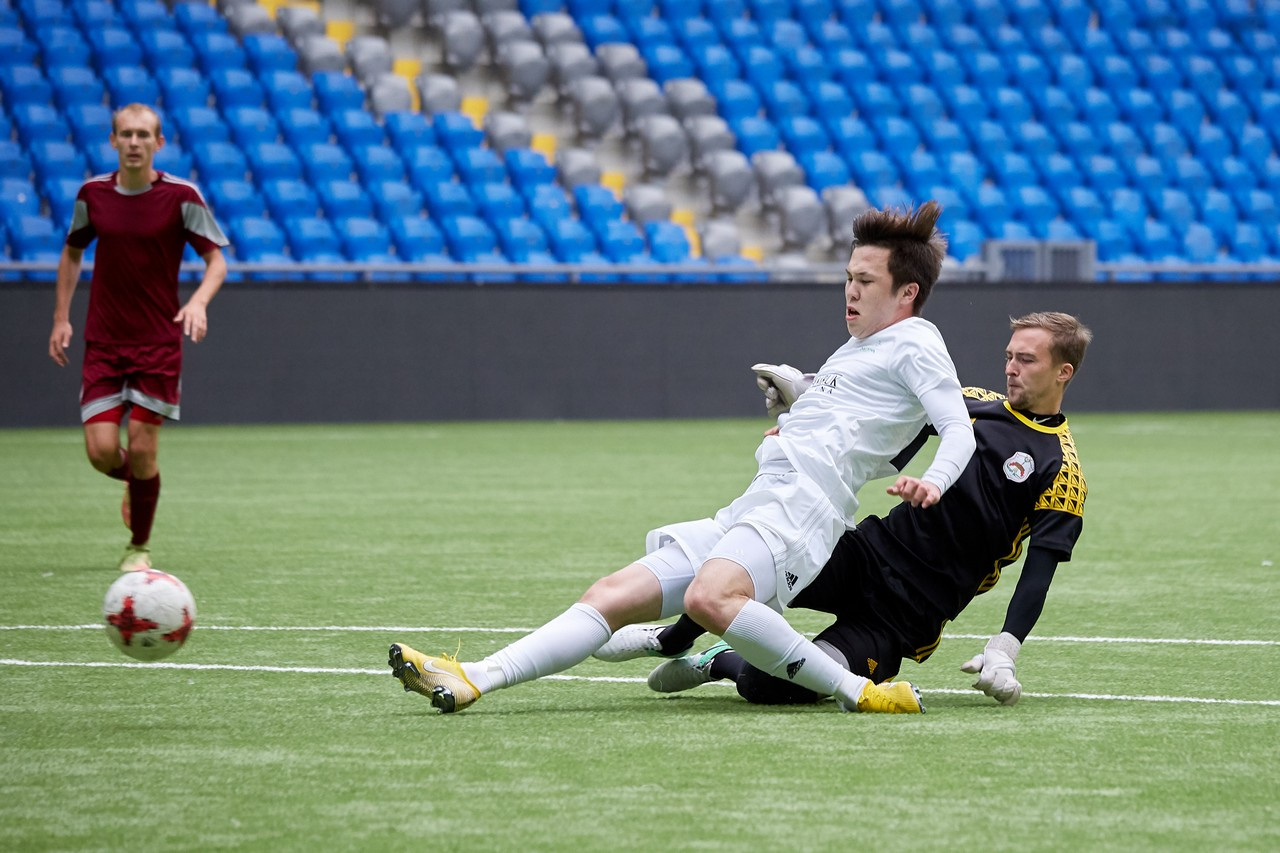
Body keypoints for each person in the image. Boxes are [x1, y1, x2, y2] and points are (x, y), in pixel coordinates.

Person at [388, 202, 976, 714]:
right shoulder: (859, 348)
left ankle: (859, 692)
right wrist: (797, 398)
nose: (850, 290)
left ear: (907, 293)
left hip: (803, 509)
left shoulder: (917, 340)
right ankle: (473, 678)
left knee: (710, 599)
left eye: (866, 281)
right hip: (760, 500)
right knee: (609, 595)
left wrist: (934, 480)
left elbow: (958, 430)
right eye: (848, 277)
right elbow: (857, 424)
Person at [610, 312, 1091, 708]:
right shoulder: (975, 404)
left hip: (909, 612)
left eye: (1026, 360)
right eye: (1009, 356)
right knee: (754, 562)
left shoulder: (1062, 471)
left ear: (1063, 372)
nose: (1011, 368)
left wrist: (1004, 649)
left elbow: (1038, 574)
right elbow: (882, 414)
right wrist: (804, 415)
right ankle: (674, 637)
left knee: (772, 687)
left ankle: (717, 660)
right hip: (867, 554)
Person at [48, 103, 229, 572]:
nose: (134, 142)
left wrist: (198, 302)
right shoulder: (93, 194)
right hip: (104, 342)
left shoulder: (181, 197)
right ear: (113, 141)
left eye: (143, 135)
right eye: (126, 134)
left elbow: (217, 262)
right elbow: (72, 252)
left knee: (145, 447)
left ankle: (138, 547)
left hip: (158, 344)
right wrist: (61, 318)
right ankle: (139, 482)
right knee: (101, 452)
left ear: (158, 143)